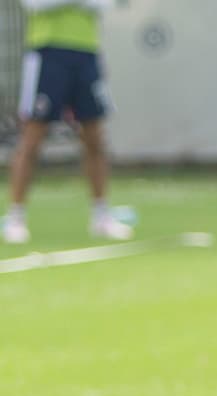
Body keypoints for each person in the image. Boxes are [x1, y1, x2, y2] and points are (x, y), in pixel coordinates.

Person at [3, 0, 133, 245]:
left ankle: (101, 216)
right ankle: (16, 218)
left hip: (86, 53)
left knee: (95, 138)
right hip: (47, 53)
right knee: (31, 139)